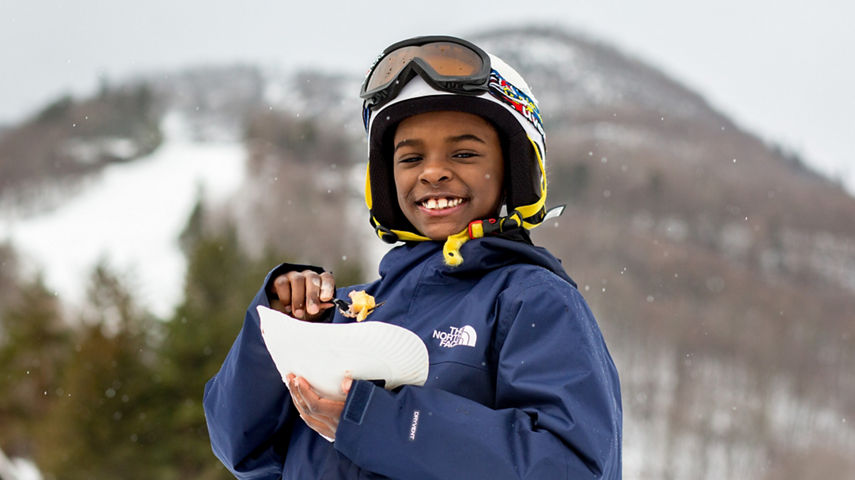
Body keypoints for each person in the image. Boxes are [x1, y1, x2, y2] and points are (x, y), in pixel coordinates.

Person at [203, 35, 622, 479]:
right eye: (410, 157)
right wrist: (280, 332)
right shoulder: (348, 315)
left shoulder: (531, 301)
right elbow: (242, 450)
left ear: (514, 170)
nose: (432, 171)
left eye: (463, 153)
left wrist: (383, 422)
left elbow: (571, 467)